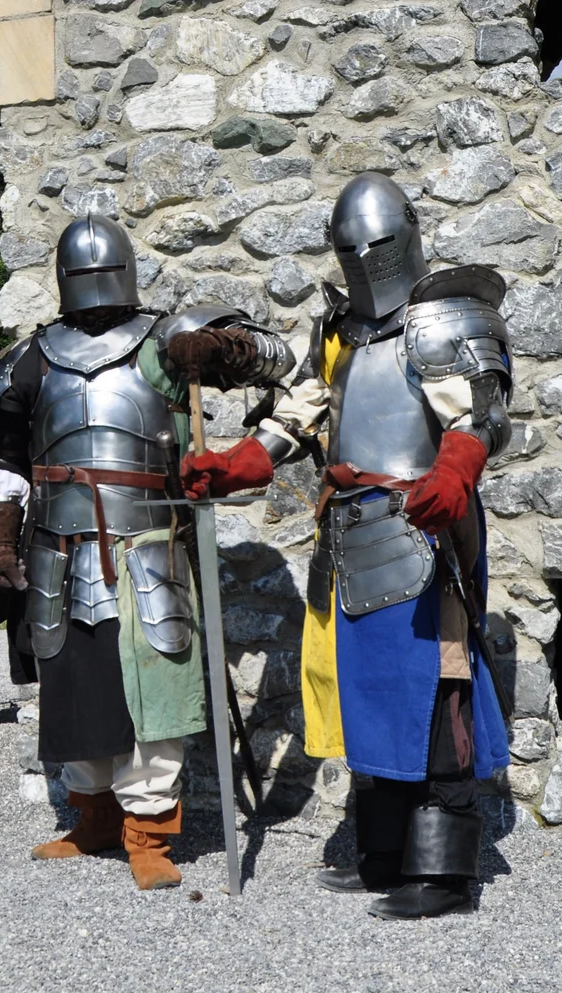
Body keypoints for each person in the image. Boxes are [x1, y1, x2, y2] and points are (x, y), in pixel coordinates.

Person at [181, 173, 512, 920]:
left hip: (425, 528)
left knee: (437, 690)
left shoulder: (446, 319)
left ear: (407, 239)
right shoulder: (337, 332)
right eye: (349, 250)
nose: (364, 262)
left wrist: (456, 468)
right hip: (350, 533)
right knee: (369, 696)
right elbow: (298, 415)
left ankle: (442, 877)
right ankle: (384, 857)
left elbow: (482, 416)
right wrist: (238, 464)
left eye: (376, 246)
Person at [0, 214, 294, 891]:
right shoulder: (30, 358)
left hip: (149, 546)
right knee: (74, 689)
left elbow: (277, 358)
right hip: (58, 548)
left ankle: (148, 834)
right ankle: (92, 821)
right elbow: (2, 454)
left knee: (155, 693)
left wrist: (220, 348)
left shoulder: (164, 343)